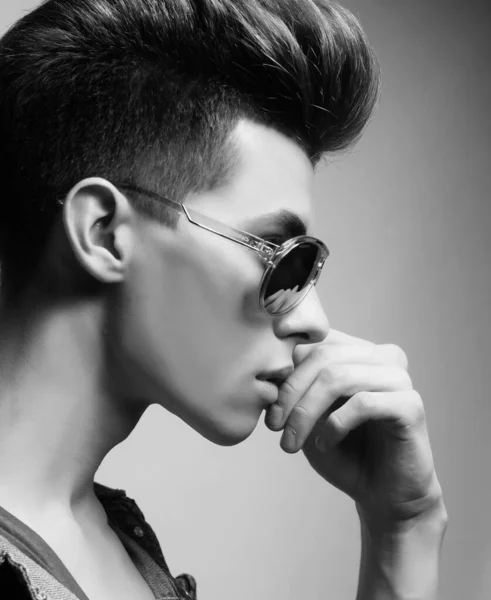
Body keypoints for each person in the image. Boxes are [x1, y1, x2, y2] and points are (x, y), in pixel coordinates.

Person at [0, 0, 448, 599]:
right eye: (280, 256)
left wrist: (405, 527)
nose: (312, 322)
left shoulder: (121, 547)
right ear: (104, 233)